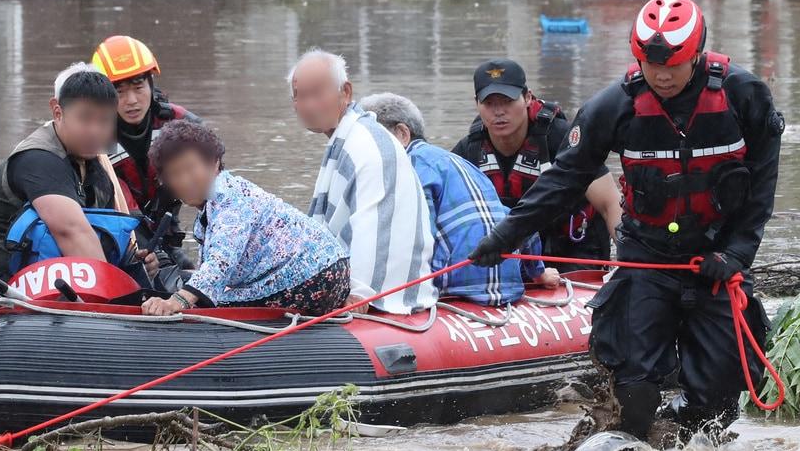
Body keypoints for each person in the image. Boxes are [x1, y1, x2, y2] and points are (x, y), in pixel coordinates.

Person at [470, 0, 784, 443]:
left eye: (673, 64)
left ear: (696, 54)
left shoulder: (743, 95)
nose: (662, 75)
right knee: (635, 391)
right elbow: (563, 179)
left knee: (718, 403)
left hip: (716, 258)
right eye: (651, 64)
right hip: (646, 256)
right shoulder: (614, 107)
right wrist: (504, 236)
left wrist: (736, 253)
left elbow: (763, 182)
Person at [0, 65, 139, 310]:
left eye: (104, 121)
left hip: (43, 275)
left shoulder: (96, 171)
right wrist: (113, 304)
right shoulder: (39, 159)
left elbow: (107, 233)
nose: (95, 131)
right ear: (57, 112)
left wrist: (135, 268)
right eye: (85, 119)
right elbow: (72, 232)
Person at [360, 93, 556, 307]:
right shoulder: (463, 163)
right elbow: (517, 221)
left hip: (453, 291)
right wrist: (538, 273)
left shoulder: (408, 169)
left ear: (401, 134)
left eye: (371, 140)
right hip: (507, 287)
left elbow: (416, 240)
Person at [138, 120, 350, 317]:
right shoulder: (212, 207)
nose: (185, 181)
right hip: (325, 272)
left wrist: (175, 302)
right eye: (175, 174)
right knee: (198, 289)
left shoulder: (229, 197)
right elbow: (212, 269)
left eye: (191, 168)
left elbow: (221, 263)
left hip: (315, 277)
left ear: (214, 163)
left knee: (211, 303)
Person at [289, 49, 434, 314]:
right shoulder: (347, 139)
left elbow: (372, 226)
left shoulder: (367, 145)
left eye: (317, 94)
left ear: (345, 92)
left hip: (386, 298)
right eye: (300, 96)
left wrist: (359, 295)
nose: (308, 104)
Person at [452, 60, 621, 272]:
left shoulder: (563, 138)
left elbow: (610, 203)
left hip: (573, 252)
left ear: (527, 98)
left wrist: (627, 256)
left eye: (507, 101)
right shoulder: (469, 151)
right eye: (489, 103)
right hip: (510, 255)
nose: (499, 112)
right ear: (476, 104)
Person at [91, 34, 199, 247]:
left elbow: (213, 186)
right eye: (118, 91)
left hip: (165, 228)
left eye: (138, 87)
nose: (131, 101)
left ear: (151, 84)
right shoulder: (92, 137)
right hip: (119, 234)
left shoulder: (179, 123)